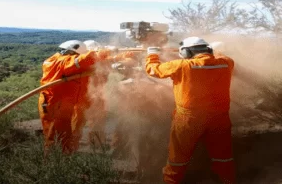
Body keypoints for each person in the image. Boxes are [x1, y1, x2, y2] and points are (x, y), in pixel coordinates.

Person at [145, 37, 236, 184]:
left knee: (178, 159)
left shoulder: (181, 65)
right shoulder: (226, 63)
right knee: (223, 156)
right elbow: (220, 56)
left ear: (186, 52)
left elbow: (153, 70)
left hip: (188, 119)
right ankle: (227, 181)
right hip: (219, 118)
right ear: (209, 50)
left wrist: (152, 55)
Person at [38, 40, 111, 155]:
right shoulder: (59, 62)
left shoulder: (61, 61)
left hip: (61, 103)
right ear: (72, 51)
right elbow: (82, 61)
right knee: (54, 135)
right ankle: (54, 164)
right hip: (54, 103)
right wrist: (100, 52)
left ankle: (65, 159)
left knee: (64, 134)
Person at [83, 40, 136, 149]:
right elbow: (99, 58)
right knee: (95, 121)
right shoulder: (89, 61)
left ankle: (96, 144)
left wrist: (129, 53)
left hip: (96, 95)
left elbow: (117, 59)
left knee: (96, 121)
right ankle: (94, 145)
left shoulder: (101, 60)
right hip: (90, 95)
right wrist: (109, 50)